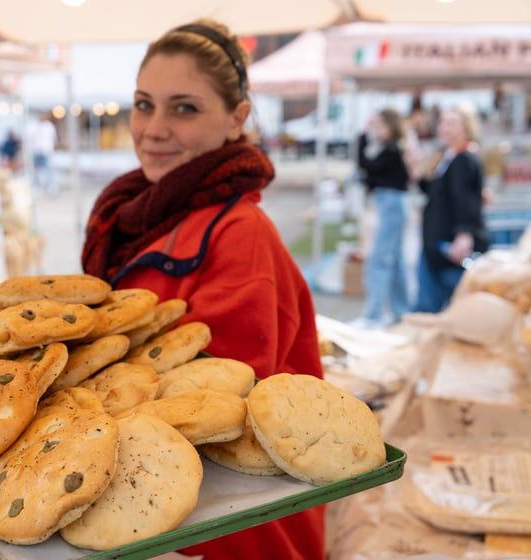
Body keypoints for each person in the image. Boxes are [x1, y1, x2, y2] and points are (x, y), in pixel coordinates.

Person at [81, 19, 325, 560]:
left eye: (184, 108)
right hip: (162, 512)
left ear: (237, 119)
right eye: (145, 104)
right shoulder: (133, 216)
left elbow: (214, 401)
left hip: (230, 530)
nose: (153, 128)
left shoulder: (240, 233)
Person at [411, 104, 489, 313]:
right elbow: (437, 194)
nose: (446, 128)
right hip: (436, 243)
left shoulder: (464, 158)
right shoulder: (449, 156)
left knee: (445, 305)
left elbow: (466, 200)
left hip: (449, 246)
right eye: (444, 122)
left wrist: (464, 234)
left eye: (453, 123)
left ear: (466, 127)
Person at [350, 108, 411, 329]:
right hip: (390, 203)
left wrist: (363, 136)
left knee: (378, 260)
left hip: (392, 204)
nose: (377, 130)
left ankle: (372, 314)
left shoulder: (392, 150)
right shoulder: (390, 149)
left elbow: (366, 166)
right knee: (395, 261)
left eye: (380, 125)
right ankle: (400, 311)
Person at [27, 113, 58, 195]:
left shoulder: (49, 126)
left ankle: (51, 185)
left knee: (49, 169)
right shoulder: (33, 125)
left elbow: (54, 139)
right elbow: (28, 138)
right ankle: (36, 185)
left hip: (46, 151)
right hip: (36, 151)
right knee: (35, 170)